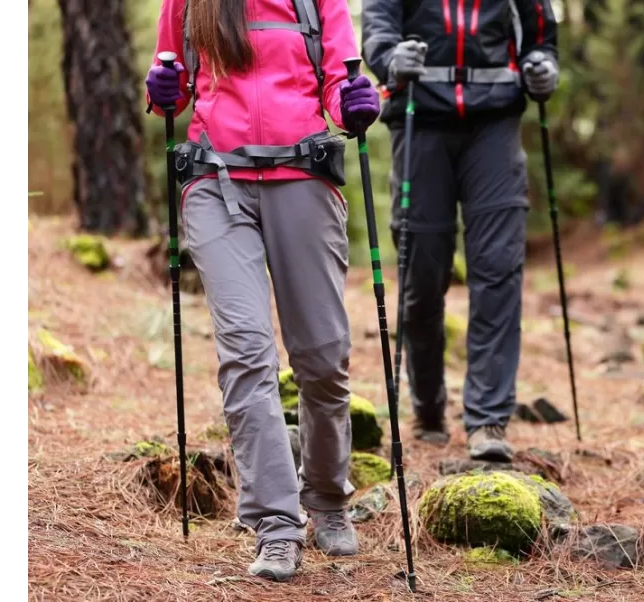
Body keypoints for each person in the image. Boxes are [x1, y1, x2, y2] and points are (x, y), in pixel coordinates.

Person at [144, 0, 380, 583]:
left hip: (302, 176)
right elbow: (170, 90)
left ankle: (327, 495)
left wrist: (353, 104)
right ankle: (276, 523)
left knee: (323, 357)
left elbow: (336, 83)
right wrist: (162, 89)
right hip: (214, 182)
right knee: (247, 352)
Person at [361, 0, 559, 461]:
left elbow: (542, 35)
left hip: (495, 125)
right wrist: (390, 59)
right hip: (420, 121)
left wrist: (543, 65)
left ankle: (488, 419)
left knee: (497, 269)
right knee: (423, 277)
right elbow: (378, 26)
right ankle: (428, 405)